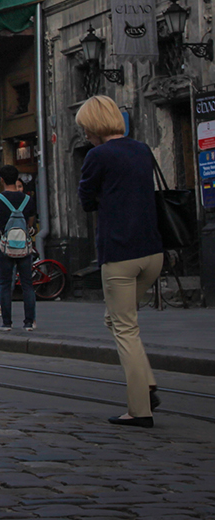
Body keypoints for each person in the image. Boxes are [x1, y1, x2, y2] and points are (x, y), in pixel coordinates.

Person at [76, 95, 165, 426]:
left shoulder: (98, 155)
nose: (85, 134)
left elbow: (86, 200)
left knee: (124, 328)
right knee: (116, 320)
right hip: (152, 253)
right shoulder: (141, 149)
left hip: (119, 253)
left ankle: (140, 409)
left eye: (85, 128)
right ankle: (147, 382)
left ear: (94, 126)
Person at [0, 165, 37, 332]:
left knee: (5, 283)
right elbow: (30, 223)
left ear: (1, 179)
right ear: (16, 179)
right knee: (27, 284)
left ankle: (7, 322)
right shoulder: (28, 199)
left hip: (6, 246)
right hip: (24, 245)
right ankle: (29, 322)